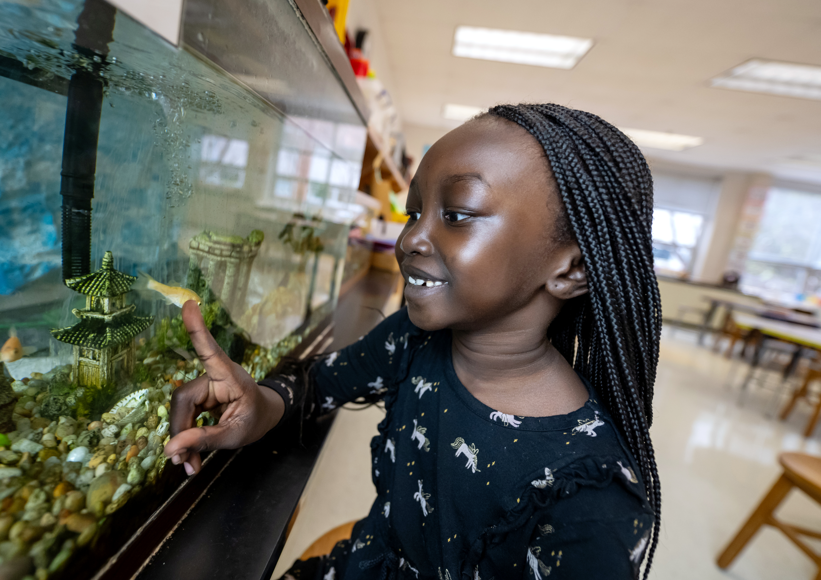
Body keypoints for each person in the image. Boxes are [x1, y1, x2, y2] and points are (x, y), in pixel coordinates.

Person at [165, 103, 661, 579]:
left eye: (458, 214)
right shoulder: (413, 338)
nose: (411, 240)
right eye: (413, 214)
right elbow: (317, 384)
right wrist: (261, 402)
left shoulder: (587, 495)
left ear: (570, 268)